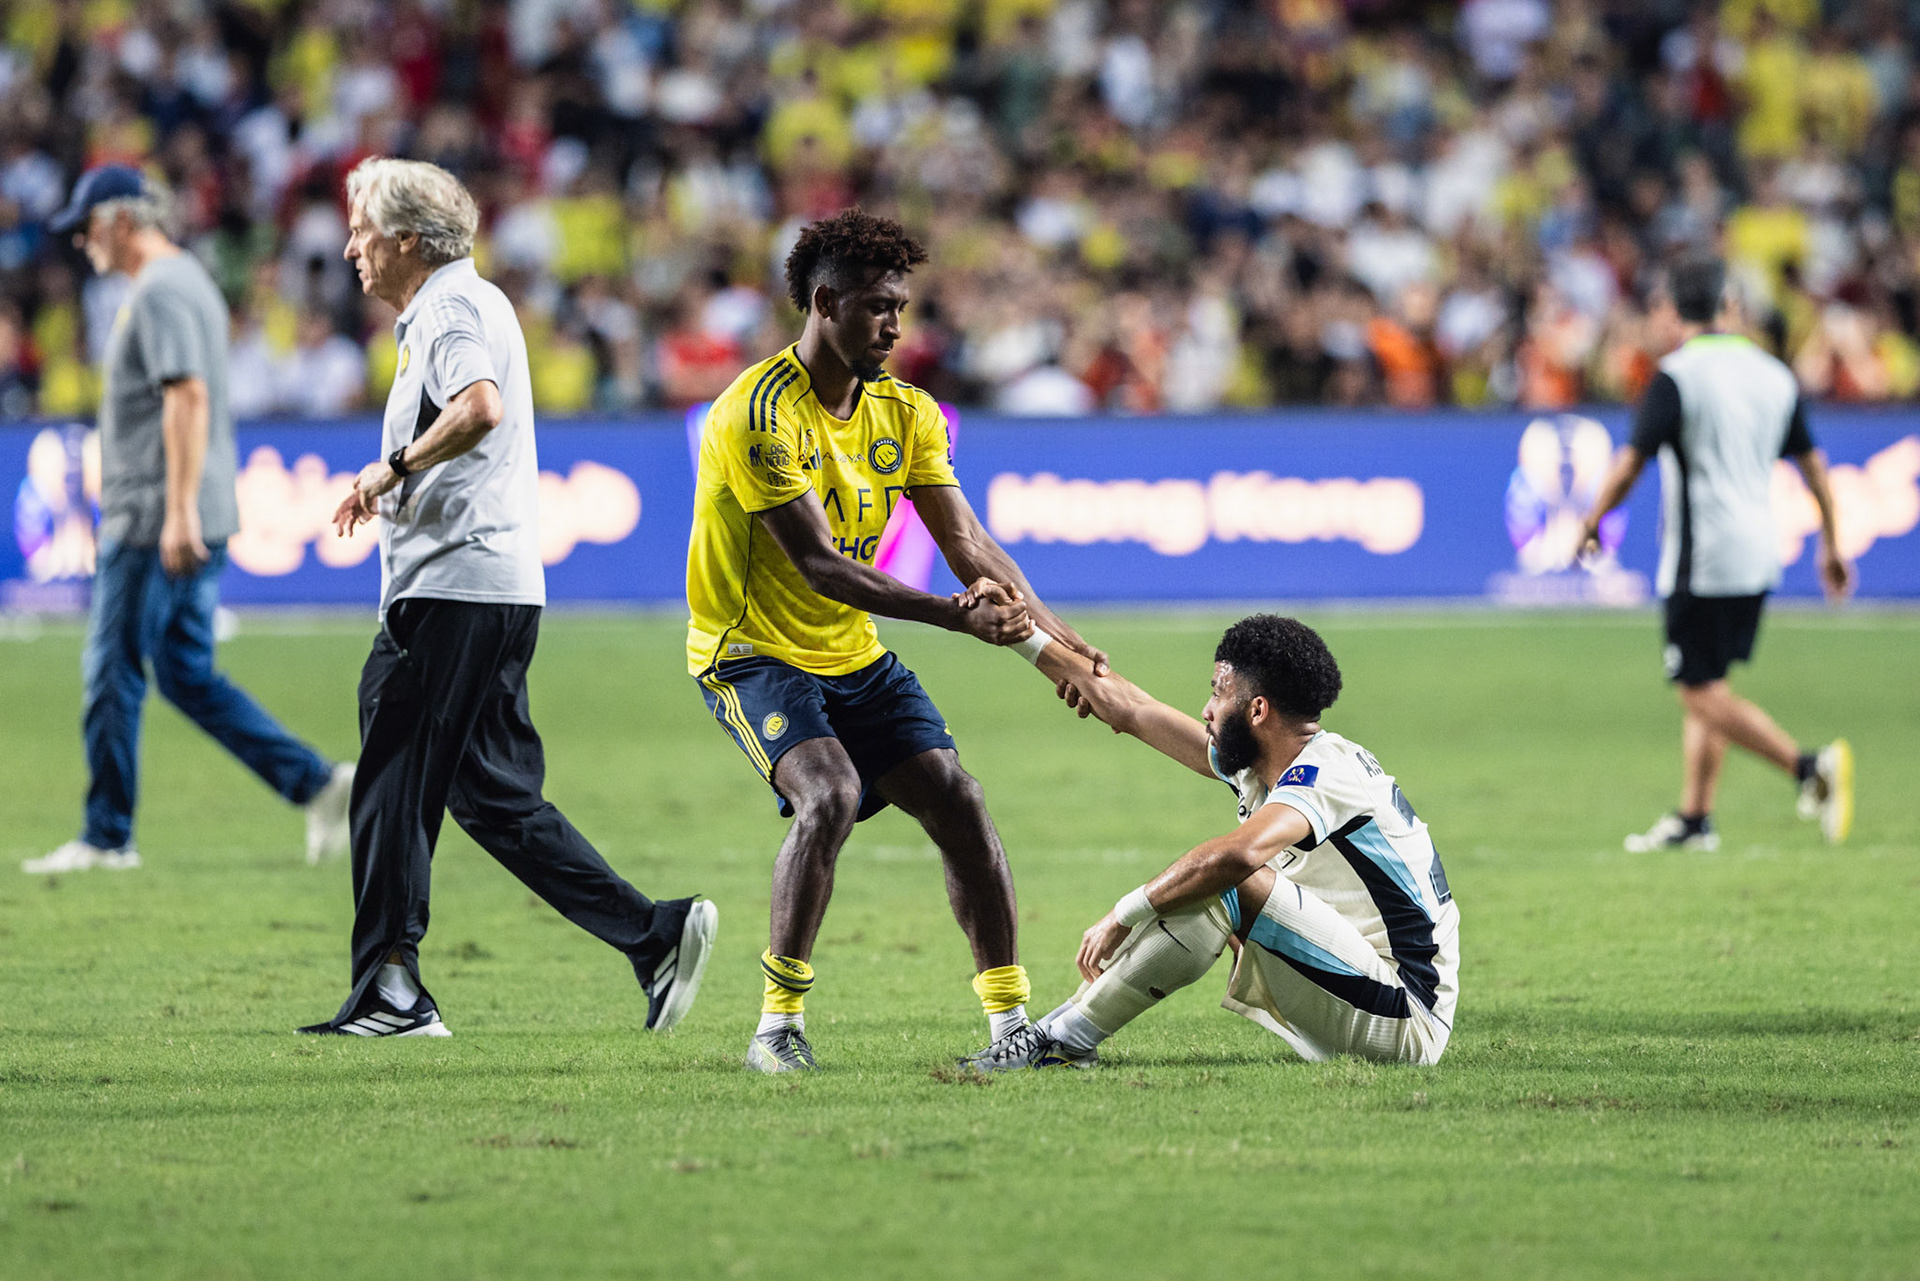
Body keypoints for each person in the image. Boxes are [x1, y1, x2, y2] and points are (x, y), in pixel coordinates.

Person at [302, 157, 714, 1038]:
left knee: (389, 778)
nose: (351, 248)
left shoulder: (449, 307)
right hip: (495, 585)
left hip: (452, 584)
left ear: (408, 240)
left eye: (364, 231)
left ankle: (390, 986)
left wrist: (393, 466)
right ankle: (654, 935)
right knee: (491, 796)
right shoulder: (467, 304)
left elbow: (479, 407)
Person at [687, 208, 1106, 1073]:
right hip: (752, 649)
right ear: (825, 300)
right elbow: (820, 567)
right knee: (830, 793)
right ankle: (777, 1028)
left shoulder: (909, 412)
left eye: (901, 306)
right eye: (878, 306)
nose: (894, 324)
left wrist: (1061, 641)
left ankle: (1010, 1026)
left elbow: (971, 544)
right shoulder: (758, 414)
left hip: (851, 650)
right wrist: (958, 616)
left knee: (959, 798)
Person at [25, 165, 352, 876]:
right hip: (191, 508)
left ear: (120, 218)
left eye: (86, 226)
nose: (81, 241)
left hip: (155, 516)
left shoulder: (162, 289)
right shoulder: (186, 283)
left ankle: (106, 836)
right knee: (185, 675)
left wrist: (174, 512)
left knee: (110, 670)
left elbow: (187, 398)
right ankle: (318, 784)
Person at [965, 614, 1459, 1071]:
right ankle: (1057, 1036)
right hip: (1366, 987)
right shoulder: (1268, 766)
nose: (1205, 710)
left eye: (1218, 694)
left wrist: (1123, 914)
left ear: (1258, 709)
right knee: (1213, 881)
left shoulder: (1326, 772)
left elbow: (1238, 857)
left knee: (1228, 878)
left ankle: (1059, 1042)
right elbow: (1132, 709)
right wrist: (1022, 631)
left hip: (1406, 1015)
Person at [1580, 256, 1854, 853]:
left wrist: (1594, 519)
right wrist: (1832, 543)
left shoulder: (1677, 376)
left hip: (1700, 557)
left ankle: (1808, 768)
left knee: (1698, 691)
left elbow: (1632, 462)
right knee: (1711, 681)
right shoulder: (1773, 374)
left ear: (1674, 310)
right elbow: (1814, 467)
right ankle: (1695, 818)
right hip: (1759, 553)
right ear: (1728, 305)